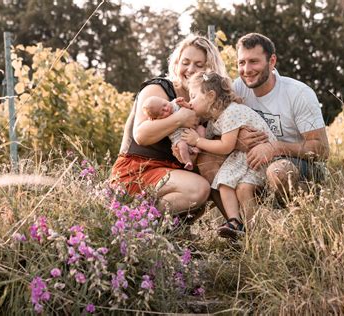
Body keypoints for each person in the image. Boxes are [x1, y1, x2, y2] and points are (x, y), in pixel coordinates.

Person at [110, 34, 229, 220]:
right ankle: (133, 219)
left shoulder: (206, 102)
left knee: (214, 170)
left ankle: (238, 227)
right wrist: (180, 118)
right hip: (140, 169)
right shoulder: (158, 89)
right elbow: (141, 135)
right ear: (176, 64)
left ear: (210, 70)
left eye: (199, 65)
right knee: (198, 189)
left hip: (174, 174)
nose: (190, 69)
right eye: (185, 62)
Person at [181, 71, 276, 240]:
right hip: (243, 157)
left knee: (243, 188)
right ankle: (235, 222)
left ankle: (256, 233)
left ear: (210, 96)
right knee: (224, 182)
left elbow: (225, 146)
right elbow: (209, 138)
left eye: (194, 96)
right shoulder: (214, 120)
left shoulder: (232, 112)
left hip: (259, 156)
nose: (191, 101)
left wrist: (197, 141)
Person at [233, 32, 329, 196]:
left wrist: (276, 148)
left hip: (302, 164)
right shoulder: (238, 89)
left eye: (254, 61)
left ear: (272, 62)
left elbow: (322, 150)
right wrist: (237, 140)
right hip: (256, 162)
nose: (247, 70)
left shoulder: (298, 94)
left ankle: (306, 206)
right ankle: (238, 220)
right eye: (242, 62)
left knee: (278, 171)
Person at [141, 95, 205, 171]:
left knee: (201, 129)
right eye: (162, 112)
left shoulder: (175, 103)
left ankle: (198, 148)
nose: (166, 109)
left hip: (192, 129)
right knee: (182, 147)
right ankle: (187, 162)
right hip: (179, 137)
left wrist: (184, 103)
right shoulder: (161, 121)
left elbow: (190, 108)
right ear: (156, 118)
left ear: (164, 99)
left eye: (164, 104)